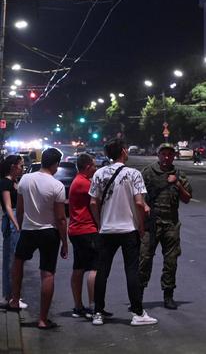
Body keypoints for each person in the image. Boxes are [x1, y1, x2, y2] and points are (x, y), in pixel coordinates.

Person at [89, 139, 157, 326]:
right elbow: (139, 203)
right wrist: (141, 226)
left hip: (106, 230)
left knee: (102, 271)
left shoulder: (99, 173)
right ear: (124, 152)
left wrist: (100, 223)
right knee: (131, 271)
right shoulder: (133, 174)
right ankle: (137, 313)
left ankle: (97, 313)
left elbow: (93, 203)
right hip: (128, 229)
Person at [9, 148, 68, 330]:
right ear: (55, 164)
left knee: (18, 263)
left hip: (28, 230)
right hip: (49, 232)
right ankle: (43, 319)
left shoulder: (25, 179)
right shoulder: (56, 186)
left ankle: (15, 300)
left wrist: (20, 226)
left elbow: (19, 209)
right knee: (48, 273)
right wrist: (64, 242)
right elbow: (60, 218)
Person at [140, 143, 192, 310]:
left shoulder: (178, 174)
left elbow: (187, 198)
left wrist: (177, 184)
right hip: (151, 223)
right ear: (158, 155)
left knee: (171, 261)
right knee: (144, 259)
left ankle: (168, 294)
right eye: (164, 154)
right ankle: (138, 295)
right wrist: (143, 210)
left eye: (170, 154)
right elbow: (136, 194)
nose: (167, 157)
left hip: (170, 223)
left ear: (174, 156)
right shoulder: (148, 172)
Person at [68, 153, 105, 319]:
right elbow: (98, 198)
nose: (96, 168)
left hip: (76, 230)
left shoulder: (77, 181)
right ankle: (93, 306)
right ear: (87, 166)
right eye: (94, 166)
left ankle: (78, 306)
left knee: (78, 268)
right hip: (87, 230)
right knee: (94, 268)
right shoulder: (84, 183)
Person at [1, 155, 28, 309]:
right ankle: (12, 297)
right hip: (12, 222)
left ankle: (11, 296)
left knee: (14, 260)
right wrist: (16, 224)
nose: (22, 168)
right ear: (13, 166)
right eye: (20, 165)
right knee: (13, 260)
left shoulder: (14, 182)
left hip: (16, 220)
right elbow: (8, 207)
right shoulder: (5, 183)